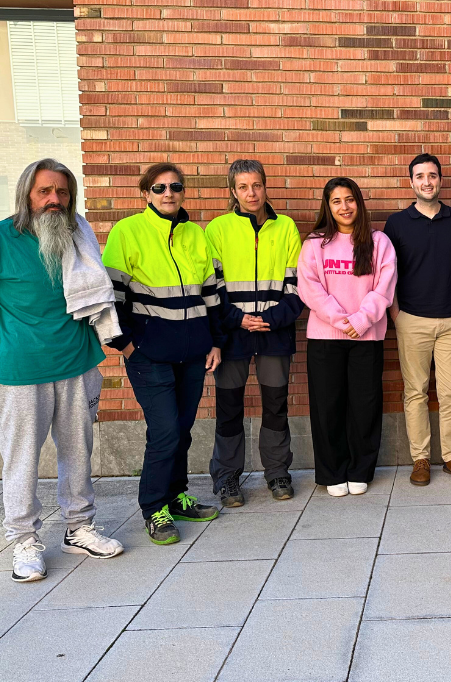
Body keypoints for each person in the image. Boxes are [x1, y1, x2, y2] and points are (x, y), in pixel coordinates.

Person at [0, 159, 124, 582]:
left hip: (77, 362)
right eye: (44, 191)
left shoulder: (79, 234)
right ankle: (23, 540)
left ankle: (79, 527)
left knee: (77, 451)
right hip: (20, 369)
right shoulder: (3, 238)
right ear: (26, 194)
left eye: (63, 192)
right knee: (20, 458)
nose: (54, 200)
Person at [104, 163, 223, 545]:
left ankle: (175, 496)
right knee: (166, 430)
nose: (168, 193)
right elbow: (110, 296)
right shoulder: (128, 231)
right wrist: (124, 345)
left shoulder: (196, 234)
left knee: (182, 429)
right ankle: (154, 507)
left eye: (175, 186)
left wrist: (215, 340)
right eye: (159, 188)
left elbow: (212, 293)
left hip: (192, 353)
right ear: (145, 194)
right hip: (148, 355)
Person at [206, 160, 303, 506]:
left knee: (275, 405)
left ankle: (277, 472)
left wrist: (272, 318)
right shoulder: (217, 229)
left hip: (274, 331)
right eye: (243, 187)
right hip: (233, 332)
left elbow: (297, 285)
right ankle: (228, 477)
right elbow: (211, 286)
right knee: (229, 406)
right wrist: (238, 319)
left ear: (265, 187)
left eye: (257, 185)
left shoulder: (286, 227)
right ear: (232, 191)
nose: (251, 193)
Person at [297, 177, 396, 497]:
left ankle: (360, 469)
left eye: (349, 199)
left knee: (364, 406)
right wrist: (343, 321)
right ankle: (332, 471)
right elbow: (309, 288)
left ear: (358, 202)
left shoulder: (379, 242)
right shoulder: (315, 243)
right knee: (328, 406)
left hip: (367, 338)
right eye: (336, 201)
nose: (344, 206)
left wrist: (362, 320)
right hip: (326, 338)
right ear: (328, 206)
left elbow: (385, 287)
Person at [384, 153, 451, 486]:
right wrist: (396, 314)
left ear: (440, 180)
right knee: (416, 392)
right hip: (411, 319)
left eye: (432, 175)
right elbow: (387, 274)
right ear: (411, 182)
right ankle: (420, 459)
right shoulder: (396, 223)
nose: (427, 181)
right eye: (420, 176)